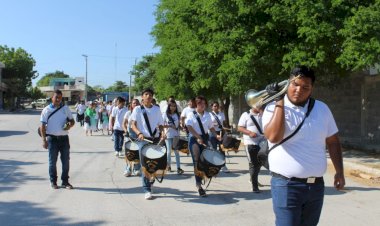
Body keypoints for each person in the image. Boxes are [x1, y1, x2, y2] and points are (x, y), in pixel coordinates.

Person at [262, 66, 345, 226]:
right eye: (295, 84)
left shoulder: (322, 108)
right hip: (286, 186)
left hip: (316, 187)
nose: (299, 90)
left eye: (305, 87)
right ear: (288, 84)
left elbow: (333, 142)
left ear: (311, 88)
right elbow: (273, 136)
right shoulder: (273, 107)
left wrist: (339, 172)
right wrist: (279, 100)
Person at [130, 88, 166, 200]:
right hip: (143, 139)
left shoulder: (156, 109)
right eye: (146, 94)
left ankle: (151, 179)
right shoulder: (137, 109)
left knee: (156, 163)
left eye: (150, 95)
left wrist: (162, 133)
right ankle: (147, 189)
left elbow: (160, 124)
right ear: (142, 96)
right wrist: (139, 133)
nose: (148, 96)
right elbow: (133, 125)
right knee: (145, 164)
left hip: (155, 139)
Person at [185, 95, 221, 197]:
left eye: (204, 103)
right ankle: (199, 185)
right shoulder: (191, 114)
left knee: (207, 159)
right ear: (196, 104)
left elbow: (211, 128)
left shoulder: (208, 115)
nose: (202, 105)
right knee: (197, 160)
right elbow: (189, 127)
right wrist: (197, 137)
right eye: (200, 103)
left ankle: (203, 175)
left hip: (205, 138)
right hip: (194, 139)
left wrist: (216, 135)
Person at [40, 89, 75, 189]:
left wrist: (69, 125)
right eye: (56, 97)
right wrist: (44, 140)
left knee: (66, 161)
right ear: (52, 98)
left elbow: (72, 121)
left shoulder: (65, 109)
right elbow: (42, 126)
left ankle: (65, 182)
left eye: (60, 98)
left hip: (64, 139)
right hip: (52, 139)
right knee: (52, 162)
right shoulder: (46, 110)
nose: (58, 99)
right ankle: (53, 182)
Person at [237, 105, 265, 193]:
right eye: (257, 105)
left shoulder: (263, 114)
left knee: (260, 162)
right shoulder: (245, 115)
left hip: (262, 142)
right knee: (253, 164)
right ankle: (254, 186)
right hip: (250, 143)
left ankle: (253, 178)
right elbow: (240, 128)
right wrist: (249, 133)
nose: (259, 106)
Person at [163, 99, 184, 174]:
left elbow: (178, 125)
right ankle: (168, 166)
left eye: (174, 106)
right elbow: (161, 125)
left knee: (176, 151)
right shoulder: (165, 115)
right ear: (169, 106)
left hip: (176, 135)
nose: (173, 107)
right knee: (168, 151)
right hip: (168, 135)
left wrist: (182, 128)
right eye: (171, 106)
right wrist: (170, 126)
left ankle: (178, 167)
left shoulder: (177, 115)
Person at [209, 101, 229, 173]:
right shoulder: (209, 114)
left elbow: (224, 123)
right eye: (214, 106)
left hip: (221, 133)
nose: (216, 107)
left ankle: (223, 165)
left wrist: (225, 129)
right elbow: (208, 124)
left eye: (217, 106)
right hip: (213, 133)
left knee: (222, 150)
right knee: (213, 150)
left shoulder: (221, 114)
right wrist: (213, 124)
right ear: (212, 107)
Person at [123, 98, 141, 176]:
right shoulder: (128, 113)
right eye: (134, 103)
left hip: (139, 134)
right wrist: (126, 131)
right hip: (129, 134)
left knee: (137, 153)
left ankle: (136, 169)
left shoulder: (141, 113)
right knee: (129, 153)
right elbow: (123, 124)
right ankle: (128, 169)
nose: (135, 104)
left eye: (137, 103)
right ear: (131, 105)